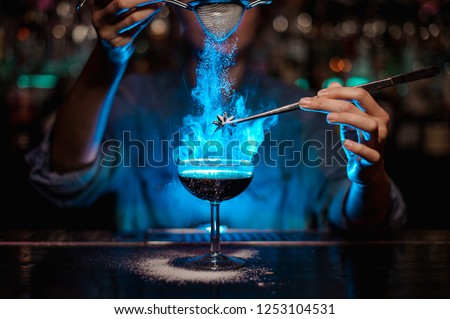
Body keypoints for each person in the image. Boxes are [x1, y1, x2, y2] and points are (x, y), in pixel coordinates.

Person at [26, 0, 406, 234]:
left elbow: (361, 222)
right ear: (174, 7)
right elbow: (63, 180)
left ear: (262, 9)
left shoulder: (305, 112)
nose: (221, 12)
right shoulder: (133, 100)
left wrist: (367, 177)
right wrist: (110, 54)